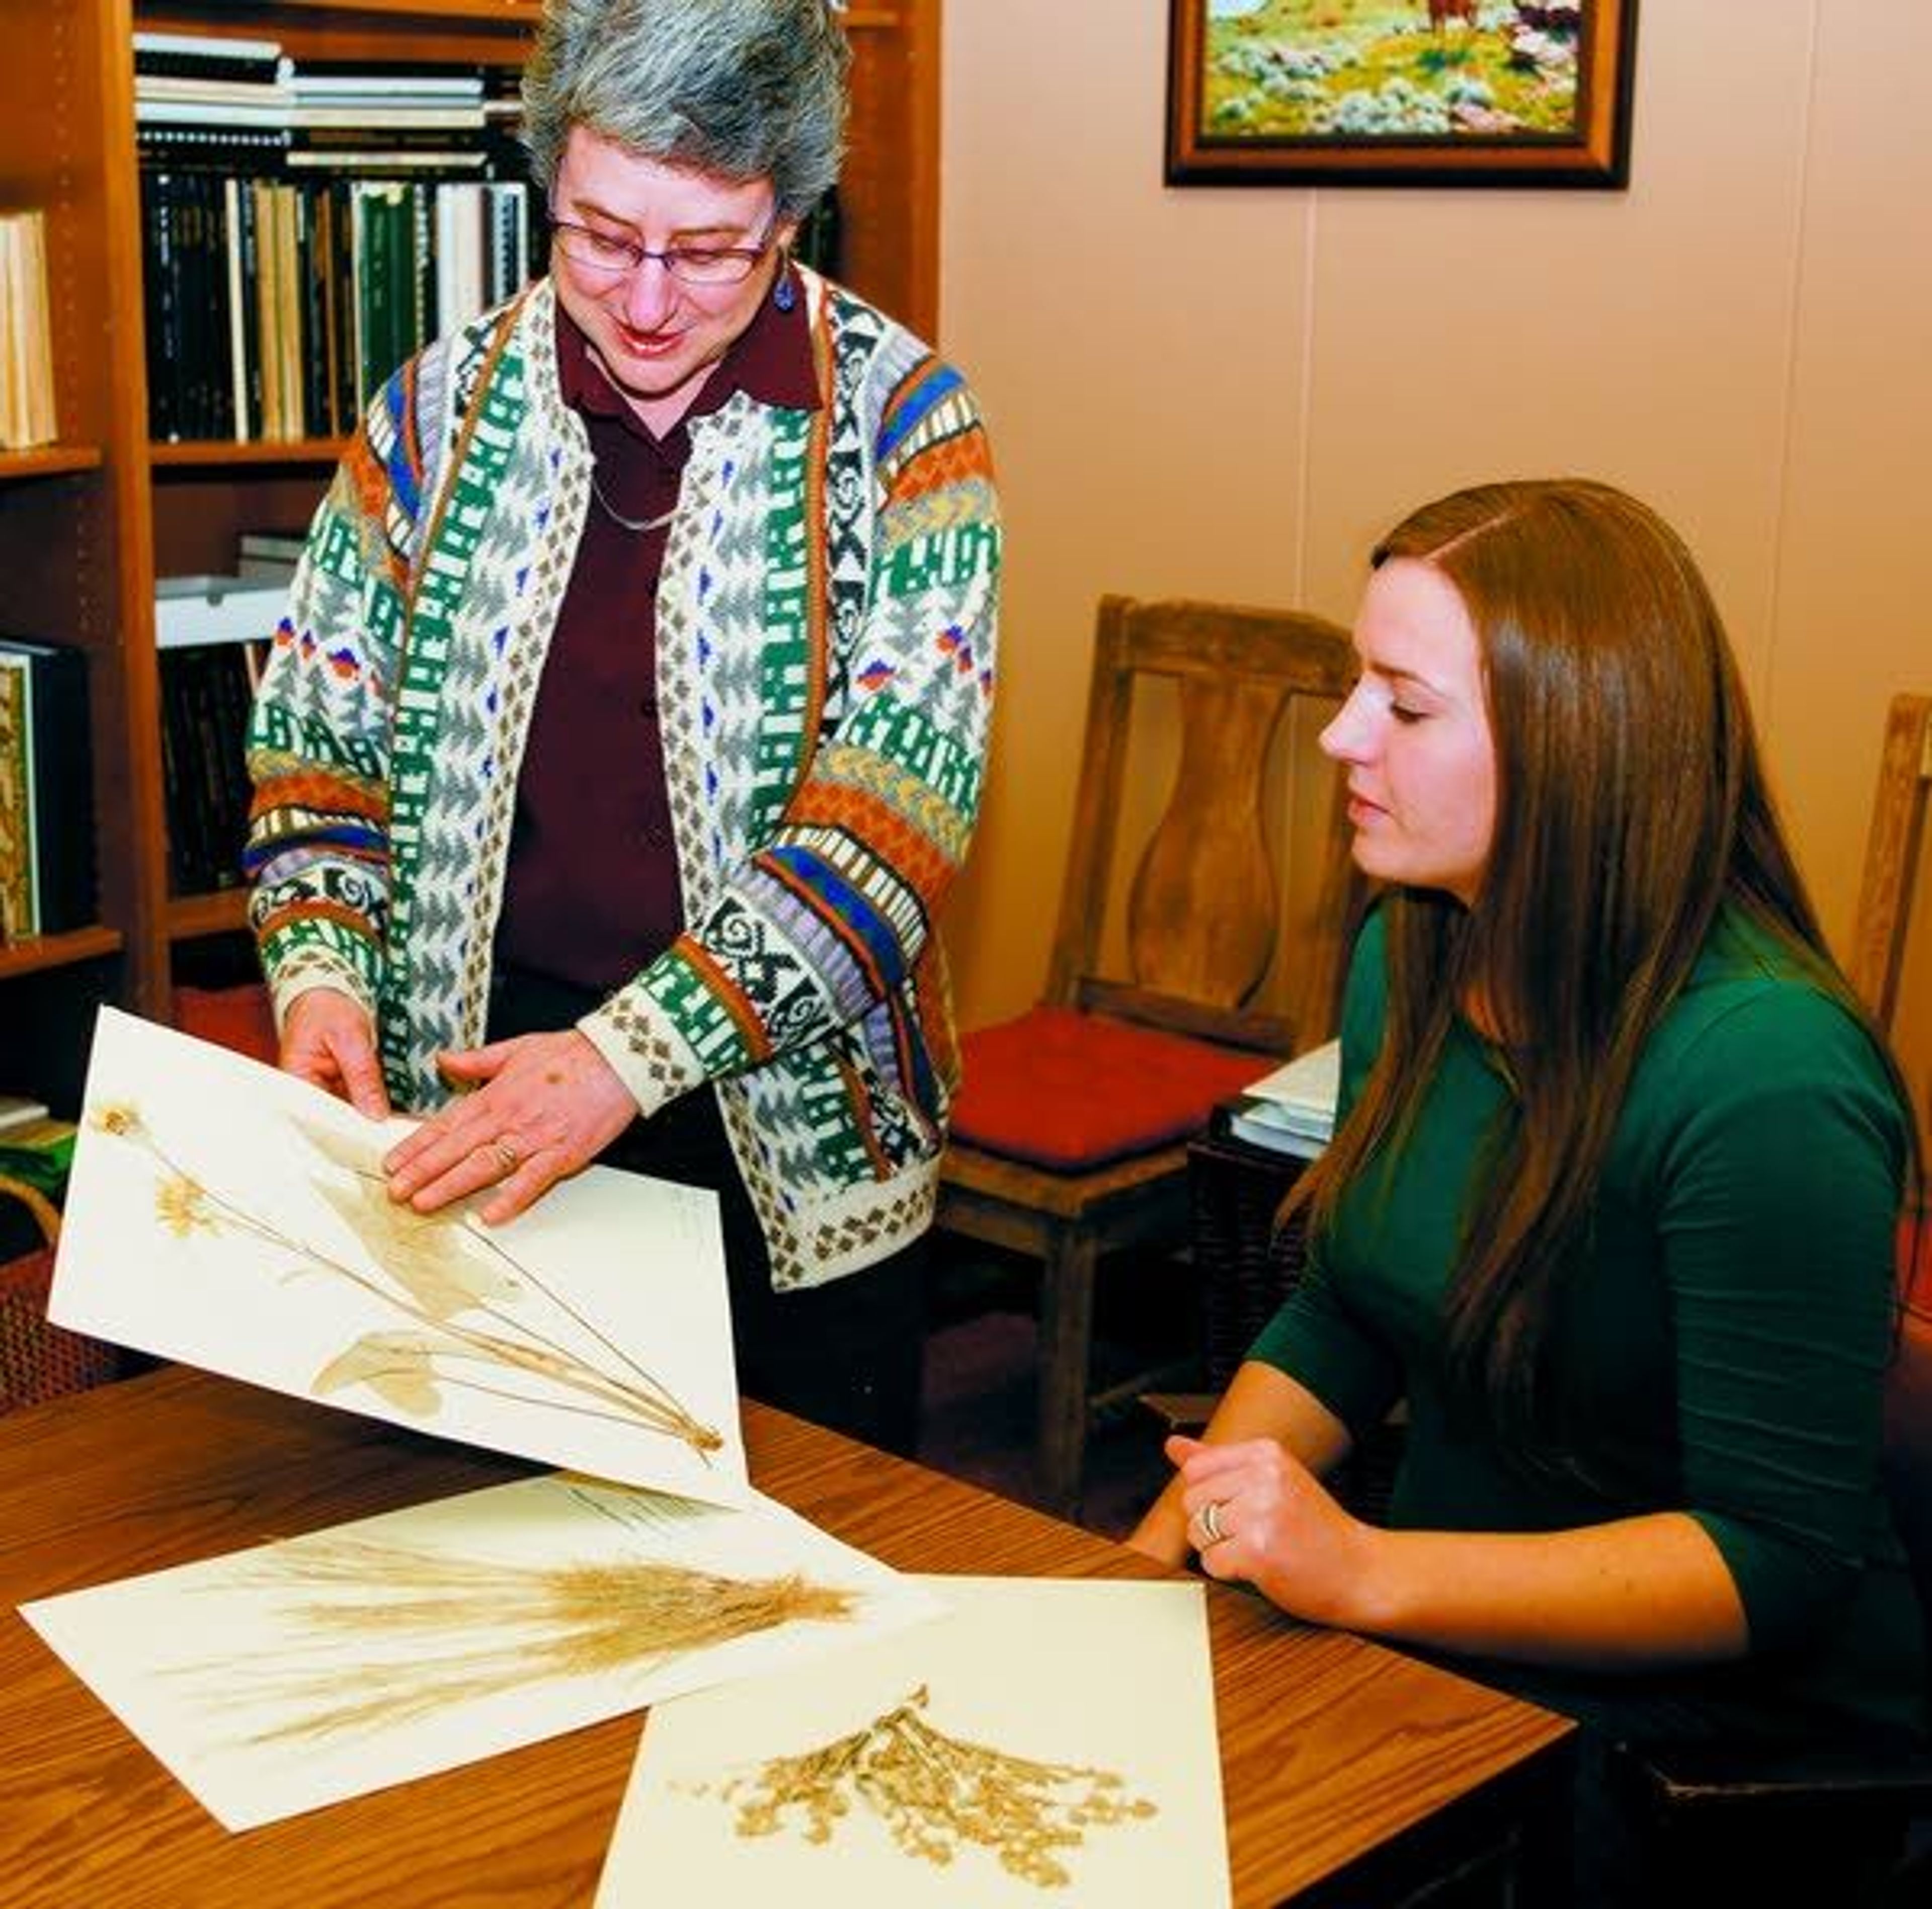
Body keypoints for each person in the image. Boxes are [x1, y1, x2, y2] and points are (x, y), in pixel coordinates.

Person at [1128, 478, 1924, 1899]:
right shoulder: (1414, 953)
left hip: (1705, 1750)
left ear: (1579, 753)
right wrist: (1144, 1569)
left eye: (1404, 705)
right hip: (1446, 1621)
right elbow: (1354, 1299)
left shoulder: (1768, 1076)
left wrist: (1367, 1570)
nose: (1339, 736)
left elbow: (1776, 1557)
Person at [243, 0, 1000, 1456]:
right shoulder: (433, 416)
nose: (646, 300)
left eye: (707, 249)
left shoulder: (907, 430)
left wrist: (622, 1059)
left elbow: (889, 832)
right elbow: (317, 739)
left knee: (790, 1606)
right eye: (599, 236)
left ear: (790, 213)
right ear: (547, 181)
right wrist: (320, 978)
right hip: (474, 1127)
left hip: (794, 1166)